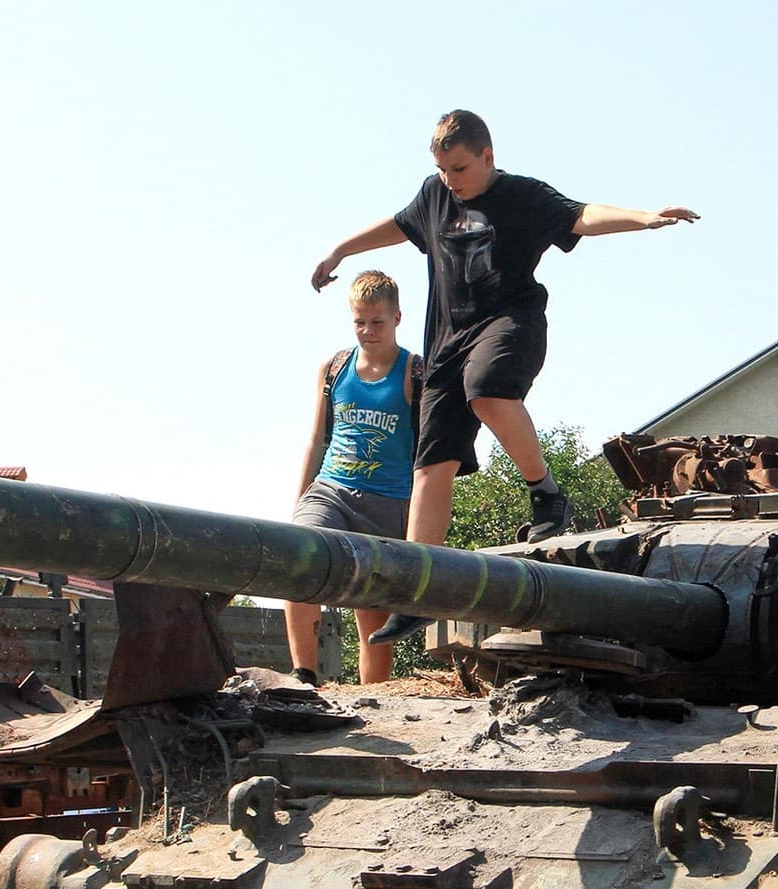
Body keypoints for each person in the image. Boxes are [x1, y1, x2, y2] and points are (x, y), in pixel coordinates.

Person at [310, 108, 697, 643]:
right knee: (431, 466)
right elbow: (398, 226)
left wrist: (645, 216)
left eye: (461, 169)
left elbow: (584, 215)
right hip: (445, 342)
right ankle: (419, 593)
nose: (452, 181)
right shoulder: (434, 195)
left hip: (510, 323)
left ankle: (545, 492)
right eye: (443, 170)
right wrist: (339, 249)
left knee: (486, 391)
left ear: (488, 157)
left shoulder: (523, 196)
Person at [283, 269, 422, 685]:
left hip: (388, 501)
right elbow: (316, 438)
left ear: (397, 318)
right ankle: (303, 676)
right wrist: (298, 501)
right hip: (332, 490)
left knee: (374, 621)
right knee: (298, 555)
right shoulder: (335, 367)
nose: (367, 330)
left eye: (376, 322)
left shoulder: (414, 372)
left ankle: (373, 700)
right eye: (359, 321)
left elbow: (426, 455)